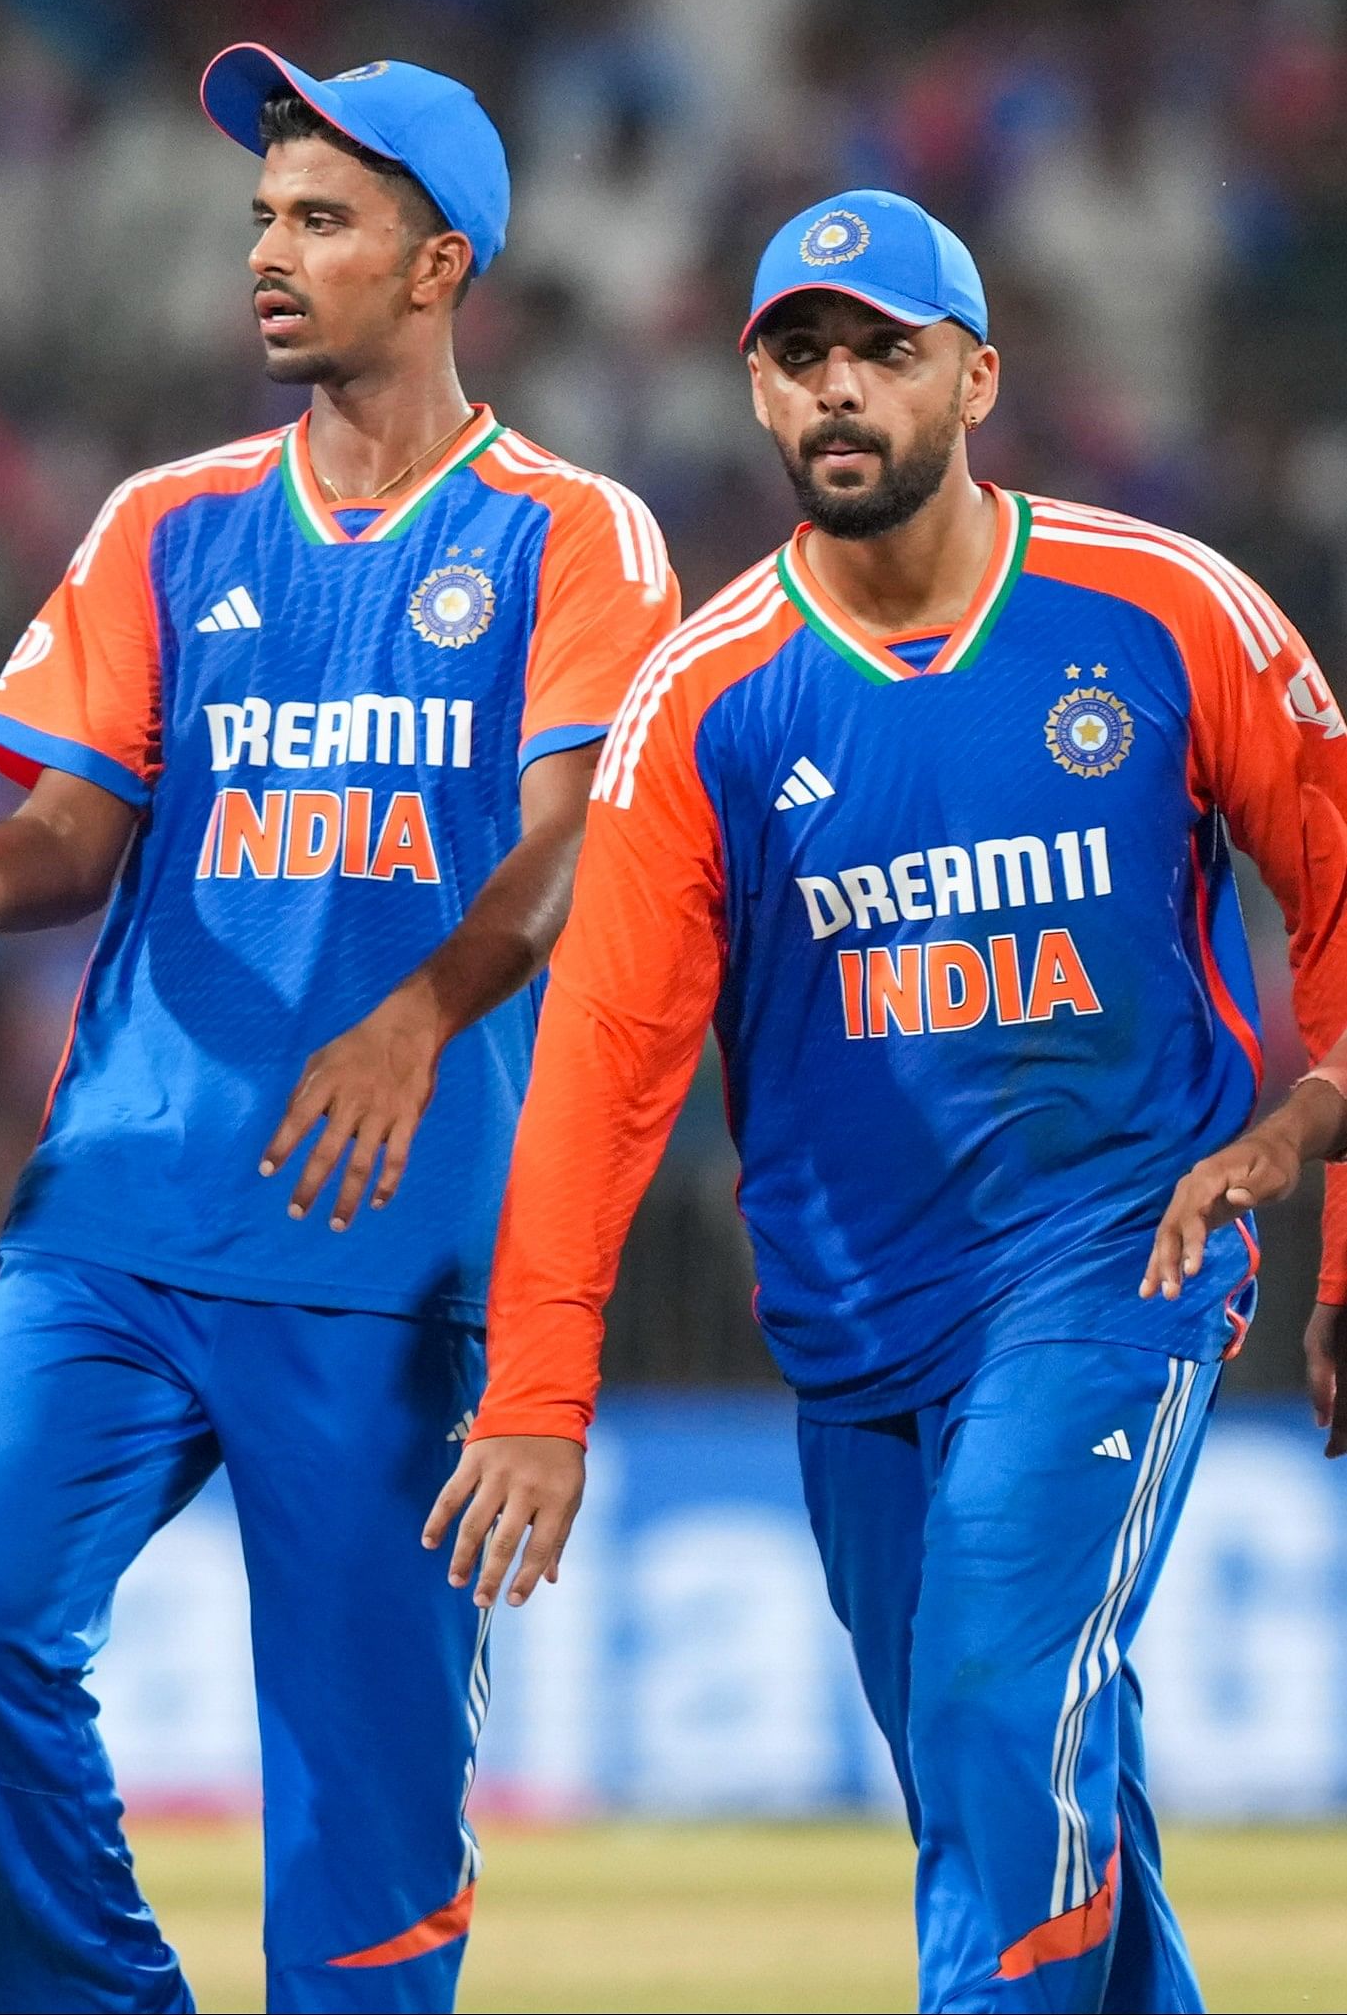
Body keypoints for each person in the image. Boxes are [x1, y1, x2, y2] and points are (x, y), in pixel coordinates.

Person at [435, 189, 1347, 2013]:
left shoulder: (1165, 608)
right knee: (1009, 1767)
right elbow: (605, 1063)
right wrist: (535, 1384)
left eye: (880, 351)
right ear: (755, 395)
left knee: (996, 1702)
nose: (836, 390)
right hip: (853, 1327)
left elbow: (1336, 902)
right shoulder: (702, 699)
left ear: (976, 376)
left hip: (1119, 1254)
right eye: (797, 356)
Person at [0, 48, 678, 2012]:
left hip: (390, 1249)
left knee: (359, 1812)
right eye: (260, 217)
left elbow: (576, 854)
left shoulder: (572, 537)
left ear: (435, 262)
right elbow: (71, 824)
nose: (267, 252)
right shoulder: (165, 521)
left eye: (318, 218)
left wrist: (413, 1016)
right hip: (120, 1211)